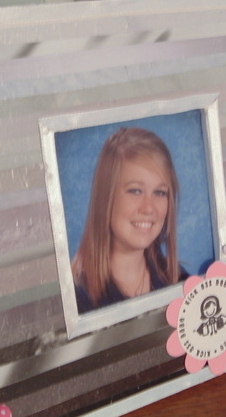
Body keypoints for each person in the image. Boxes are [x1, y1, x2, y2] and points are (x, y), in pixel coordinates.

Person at [72, 127, 184, 313]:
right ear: (106, 197)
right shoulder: (77, 297)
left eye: (159, 192)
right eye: (135, 190)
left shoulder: (179, 282)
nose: (149, 207)